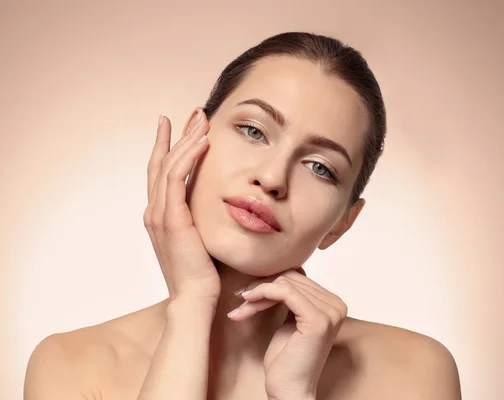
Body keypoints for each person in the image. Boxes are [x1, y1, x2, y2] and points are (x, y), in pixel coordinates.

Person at [23, 32, 462, 399]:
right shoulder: (72, 367)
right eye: (253, 131)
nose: (272, 178)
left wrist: (293, 395)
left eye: (320, 168)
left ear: (343, 222)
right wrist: (192, 301)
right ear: (195, 136)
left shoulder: (414, 374)